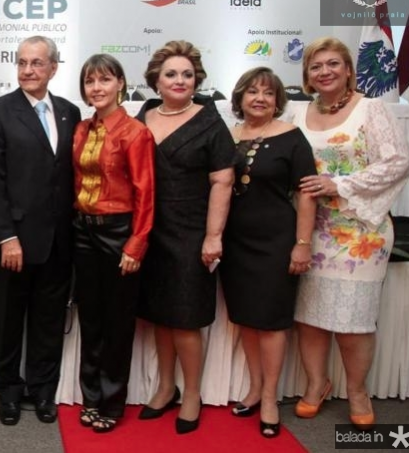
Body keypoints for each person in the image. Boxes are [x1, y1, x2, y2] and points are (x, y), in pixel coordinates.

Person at [291, 37, 409, 430]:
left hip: (363, 233)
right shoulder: (300, 113)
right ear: (307, 75)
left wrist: (338, 184)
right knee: (310, 317)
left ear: (348, 70)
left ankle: (358, 391)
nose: (324, 72)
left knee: (354, 320)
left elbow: (398, 162)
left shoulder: (371, 108)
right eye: (315, 66)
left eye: (333, 64)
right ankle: (315, 384)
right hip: (311, 231)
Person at [0, 36, 81, 426]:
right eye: (21, 63)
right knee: (6, 321)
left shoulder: (71, 112)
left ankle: (42, 392)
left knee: (48, 322)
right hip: (12, 243)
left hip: (58, 242)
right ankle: (8, 391)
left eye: (37, 63)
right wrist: (6, 236)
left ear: (53, 68)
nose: (27, 71)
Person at [136, 40, 235, 434]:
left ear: (197, 81)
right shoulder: (144, 115)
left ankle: (192, 393)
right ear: (156, 81)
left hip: (192, 232)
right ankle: (165, 388)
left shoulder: (210, 121)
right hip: (150, 231)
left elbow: (223, 182)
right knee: (160, 316)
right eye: (171, 74)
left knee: (186, 320)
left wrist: (213, 237)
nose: (180, 80)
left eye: (187, 75)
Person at [219, 67, 317, 438]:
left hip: (277, 242)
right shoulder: (227, 137)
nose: (260, 98)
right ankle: (255, 388)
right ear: (240, 98)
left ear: (278, 101)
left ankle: (272, 397)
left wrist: (302, 243)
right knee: (245, 318)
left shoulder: (292, 137)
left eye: (268, 93)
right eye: (252, 92)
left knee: (272, 321)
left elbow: (307, 193)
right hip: (235, 243)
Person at [73, 54, 154, 433]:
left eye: (105, 80)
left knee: (118, 323)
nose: (97, 88)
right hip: (84, 231)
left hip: (119, 232)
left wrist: (135, 244)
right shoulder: (81, 129)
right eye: (90, 82)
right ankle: (90, 397)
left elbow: (145, 193)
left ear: (120, 83)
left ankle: (111, 402)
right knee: (91, 321)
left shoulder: (135, 132)